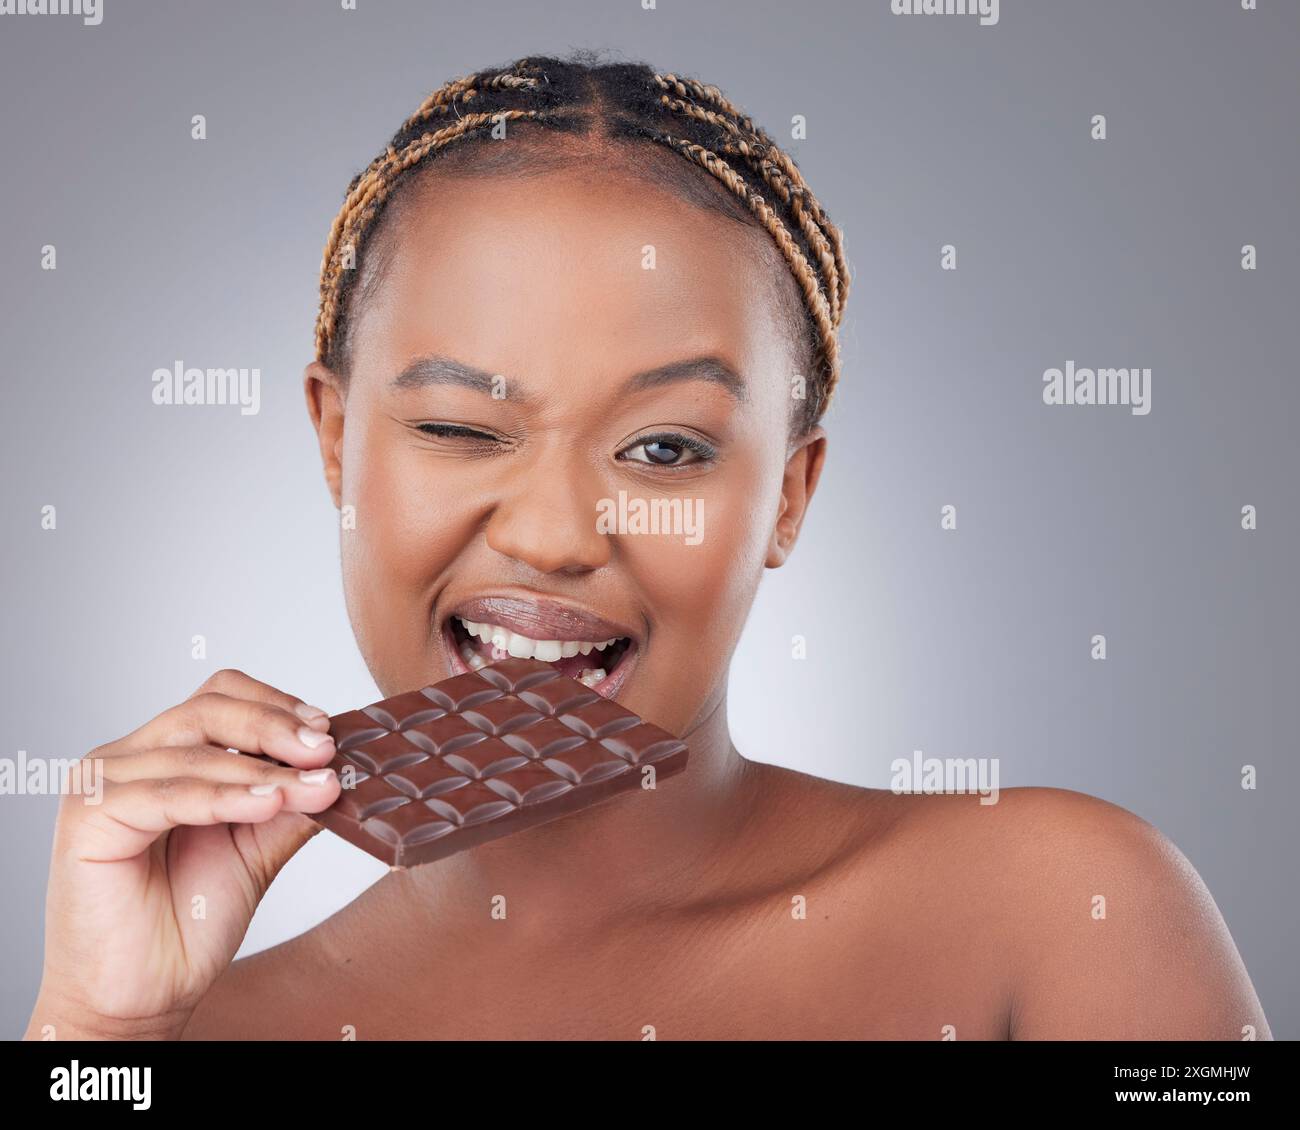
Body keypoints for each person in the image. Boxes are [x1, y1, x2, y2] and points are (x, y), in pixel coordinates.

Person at [24, 52, 1271, 1041]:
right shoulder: (187, 1035)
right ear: (336, 444)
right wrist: (89, 1030)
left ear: (789, 495)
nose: (557, 535)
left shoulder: (1060, 907)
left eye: (664, 448)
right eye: (461, 425)